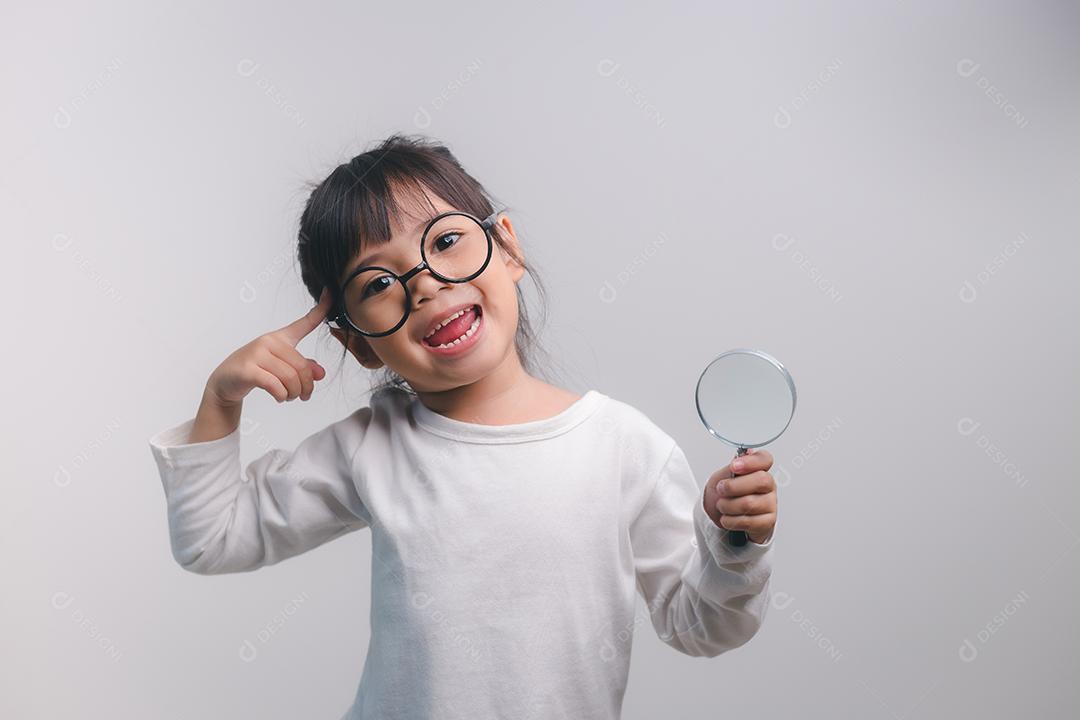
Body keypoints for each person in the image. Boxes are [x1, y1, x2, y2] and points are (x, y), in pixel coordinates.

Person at [148, 133, 779, 719]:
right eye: (378, 282)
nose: (422, 283)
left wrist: (734, 547)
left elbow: (702, 627)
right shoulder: (372, 446)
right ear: (358, 344)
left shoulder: (624, 448)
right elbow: (211, 540)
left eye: (444, 241)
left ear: (507, 246)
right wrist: (220, 398)